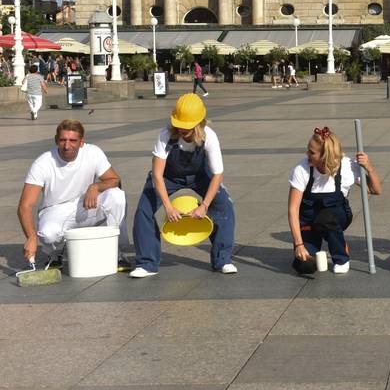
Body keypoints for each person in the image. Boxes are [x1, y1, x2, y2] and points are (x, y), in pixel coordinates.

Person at [131, 93, 235, 277]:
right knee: (143, 211)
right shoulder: (165, 135)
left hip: (200, 175)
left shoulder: (209, 137)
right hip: (168, 176)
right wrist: (169, 208)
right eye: (179, 125)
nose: (182, 130)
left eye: (187, 126)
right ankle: (147, 263)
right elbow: (157, 174)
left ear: (199, 123)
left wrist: (204, 206)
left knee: (224, 205)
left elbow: (218, 174)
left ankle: (222, 260)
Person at [16, 119, 129, 269]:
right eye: (62, 140)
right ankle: (55, 253)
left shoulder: (92, 152)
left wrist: (95, 187)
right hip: (56, 210)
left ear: (81, 142)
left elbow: (114, 179)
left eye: (72, 140)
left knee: (117, 196)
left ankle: (117, 252)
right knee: (48, 234)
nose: (67, 145)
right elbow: (25, 206)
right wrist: (31, 237)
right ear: (56, 140)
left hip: (85, 205)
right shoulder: (43, 163)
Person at [288, 127, 382, 275]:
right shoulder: (302, 169)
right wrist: (299, 244)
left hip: (336, 216)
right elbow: (293, 210)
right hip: (308, 220)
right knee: (304, 266)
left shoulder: (347, 166)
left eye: (312, 152)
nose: (307, 155)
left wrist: (369, 168)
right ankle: (314, 247)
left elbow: (375, 190)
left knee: (326, 219)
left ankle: (341, 256)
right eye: (308, 150)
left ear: (325, 156)